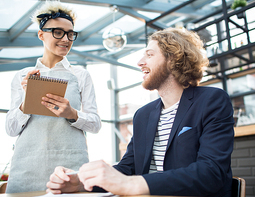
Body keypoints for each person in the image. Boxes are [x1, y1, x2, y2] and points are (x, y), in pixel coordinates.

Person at [46, 27, 234, 197]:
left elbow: (211, 173)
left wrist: (131, 185)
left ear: (174, 59)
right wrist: (81, 183)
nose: (140, 62)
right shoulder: (143, 115)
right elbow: (128, 168)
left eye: (149, 55)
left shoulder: (212, 100)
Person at [5, 1, 101, 193]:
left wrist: (72, 113)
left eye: (70, 34)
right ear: (41, 34)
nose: (66, 39)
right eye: (58, 32)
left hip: (69, 168)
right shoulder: (23, 76)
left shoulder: (81, 75)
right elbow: (11, 129)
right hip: (26, 167)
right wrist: (26, 101)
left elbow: (95, 124)